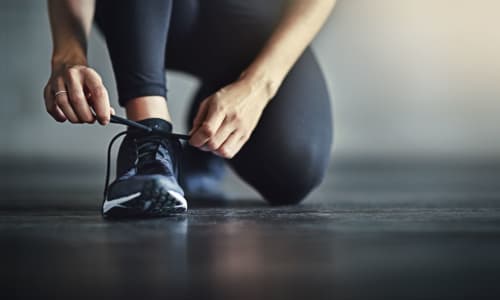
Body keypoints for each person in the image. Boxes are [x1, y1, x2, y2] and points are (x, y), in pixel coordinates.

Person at [44, 0, 335, 218]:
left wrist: (258, 86)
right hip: (141, 13)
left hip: (251, 18)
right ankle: (148, 142)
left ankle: (205, 132)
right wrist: (67, 55)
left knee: (294, 169)